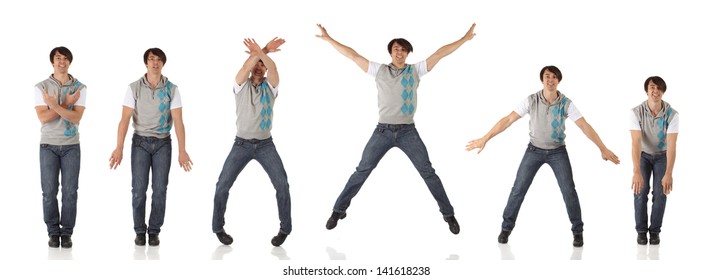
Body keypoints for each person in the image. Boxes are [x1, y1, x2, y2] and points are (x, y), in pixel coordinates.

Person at [316, 23, 476, 235]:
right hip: (382, 131)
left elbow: (440, 53)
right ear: (390, 53)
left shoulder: (415, 70)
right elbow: (353, 55)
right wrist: (329, 39)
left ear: (407, 53)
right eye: (395, 49)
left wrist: (463, 39)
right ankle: (338, 211)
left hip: (408, 132)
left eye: (402, 49)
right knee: (362, 170)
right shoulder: (379, 70)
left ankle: (448, 215)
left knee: (428, 172)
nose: (399, 52)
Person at [466, 65, 620, 247]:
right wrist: (485, 138)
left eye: (554, 77)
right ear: (542, 79)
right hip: (534, 150)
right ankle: (506, 228)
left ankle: (577, 232)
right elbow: (508, 120)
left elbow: (584, 125)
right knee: (518, 190)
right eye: (547, 76)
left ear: (558, 81)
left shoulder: (565, 103)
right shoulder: (531, 100)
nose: (550, 80)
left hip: (558, 152)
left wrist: (602, 148)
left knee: (569, 191)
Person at [212, 37, 293, 247]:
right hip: (241, 145)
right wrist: (262, 50)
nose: (259, 67)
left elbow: (273, 66)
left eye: (262, 65)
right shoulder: (239, 86)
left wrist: (263, 54)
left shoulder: (271, 87)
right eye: (256, 64)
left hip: (266, 145)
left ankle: (285, 229)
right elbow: (245, 66)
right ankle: (218, 228)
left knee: (282, 185)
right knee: (222, 186)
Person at [109, 48, 193, 246]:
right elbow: (124, 120)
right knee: (138, 189)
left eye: (158, 60)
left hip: (163, 142)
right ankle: (140, 231)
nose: (155, 62)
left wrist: (182, 150)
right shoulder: (134, 88)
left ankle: (154, 231)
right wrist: (118, 147)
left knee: (160, 189)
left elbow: (179, 121)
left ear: (163, 63)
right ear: (146, 63)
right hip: (140, 142)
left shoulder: (172, 89)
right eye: (151, 59)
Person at [35, 46, 87, 248]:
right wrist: (66, 103)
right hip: (48, 145)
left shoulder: (80, 88)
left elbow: (77, 118)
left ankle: (66, 233)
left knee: (70, 192)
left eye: (65, 58)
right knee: (48, 192)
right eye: (58, 58)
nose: (61, 62)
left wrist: (55, 105)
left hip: (71, 146)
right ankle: (52, 232)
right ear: (52, 62)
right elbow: (43, 118)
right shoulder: (41, 87)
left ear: (70, 62)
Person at [630, 76, 678, 245]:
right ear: (647, 90)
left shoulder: (672, 115)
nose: (655, 91)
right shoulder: (636, 112)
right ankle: (641, 231)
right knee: (640, 191)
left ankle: (655, 231)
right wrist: (636, 171)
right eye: (652, 87)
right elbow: (635, 142)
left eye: (659, 88)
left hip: (662, 155)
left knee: (661, 193)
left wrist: (669, 173)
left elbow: (672, 144)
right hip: (643, 155)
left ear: (663, 91)